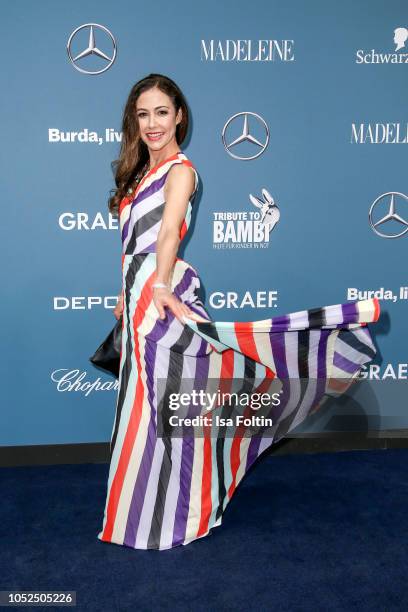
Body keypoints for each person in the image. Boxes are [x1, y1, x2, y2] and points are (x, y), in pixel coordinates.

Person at [97, 73, 381, 551]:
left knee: (174, 412)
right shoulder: (136, 174)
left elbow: (168, 236)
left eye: (162, 112)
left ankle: (183, 513)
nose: (152, 123)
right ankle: (140, 514)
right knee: (149, 412)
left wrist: (159, 285)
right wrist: (126, 294)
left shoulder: (181, 171)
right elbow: (132, 245)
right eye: (143, 114)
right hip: (141, 294)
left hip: (162, 294)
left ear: (179, 116)